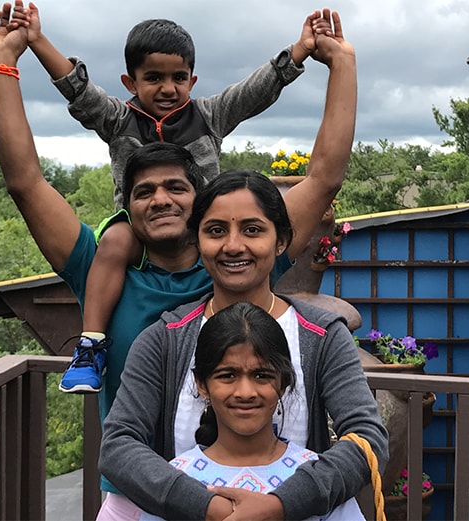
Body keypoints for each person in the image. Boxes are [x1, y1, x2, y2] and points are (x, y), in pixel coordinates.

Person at [0, 1, 350, 500]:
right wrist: (3, 63)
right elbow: (25, 181)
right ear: (126, 203)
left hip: (257, 497)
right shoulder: (103, 270)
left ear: (200, 197)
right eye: (143, 191)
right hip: (137, 497)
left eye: (176, 188)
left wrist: (340, 63)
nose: (160, 199)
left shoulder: (235, 264)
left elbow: (324, 177)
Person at [99, 11, 388, 521]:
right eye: (216, 230)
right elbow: (119, 446)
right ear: (198, 239)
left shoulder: (320, 337)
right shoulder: (166, 338)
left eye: (253, 230)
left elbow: (367, 440)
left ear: (282, 243)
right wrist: (204, 505)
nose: (234, 246)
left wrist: (281, 505)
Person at [8, 2, 322, 393]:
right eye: (153, 78)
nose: (168, 89)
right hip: (139, 228)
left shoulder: (208, 115)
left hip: (203, 226)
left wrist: (299, 51)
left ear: (192, 80)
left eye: (178, 77)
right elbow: (79, 89)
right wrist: (37, 41)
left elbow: (253, 92)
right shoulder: (120, 118)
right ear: (131, 83)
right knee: (115, 240)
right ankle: (92, 342)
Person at [134, 301, 365, 521]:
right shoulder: (177, 480)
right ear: (201, 384)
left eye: (261, 376)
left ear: (283, 383)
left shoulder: (317, 478)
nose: (245, 392)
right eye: (227, 376)